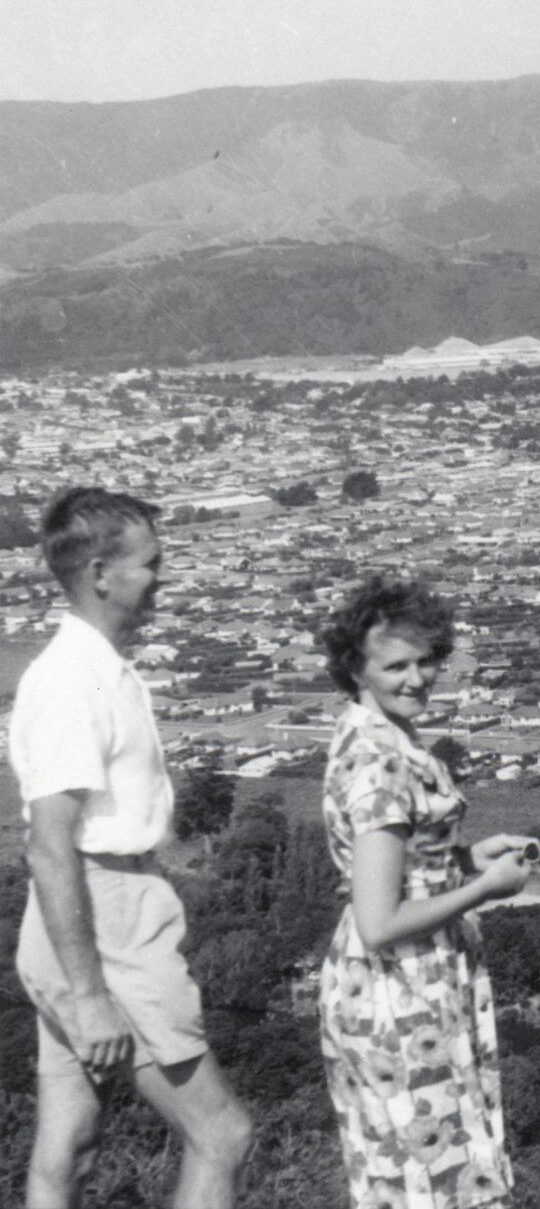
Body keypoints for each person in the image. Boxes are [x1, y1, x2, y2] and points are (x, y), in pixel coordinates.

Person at [12, 486, 254, 1209]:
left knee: (70, 1141)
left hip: (81, 916)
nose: (162, 576)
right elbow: (50, 846)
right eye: (150, 563)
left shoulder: (100, 668)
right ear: (99, 572)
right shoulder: (70, 680)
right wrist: (89, 996)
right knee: (222, 1134)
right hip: (101, 914)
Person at [316, 575, 534, 1209]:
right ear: (355, 668)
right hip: (398, 986)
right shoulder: (380, 760)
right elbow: (379, 919)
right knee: (430, 1177)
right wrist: (484, 889)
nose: (417, 678)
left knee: (433, 1167)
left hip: (416, 977)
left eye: (426, 660)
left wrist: (466, 858)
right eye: (397, 665)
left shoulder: (381, 734)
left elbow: (396, 863)